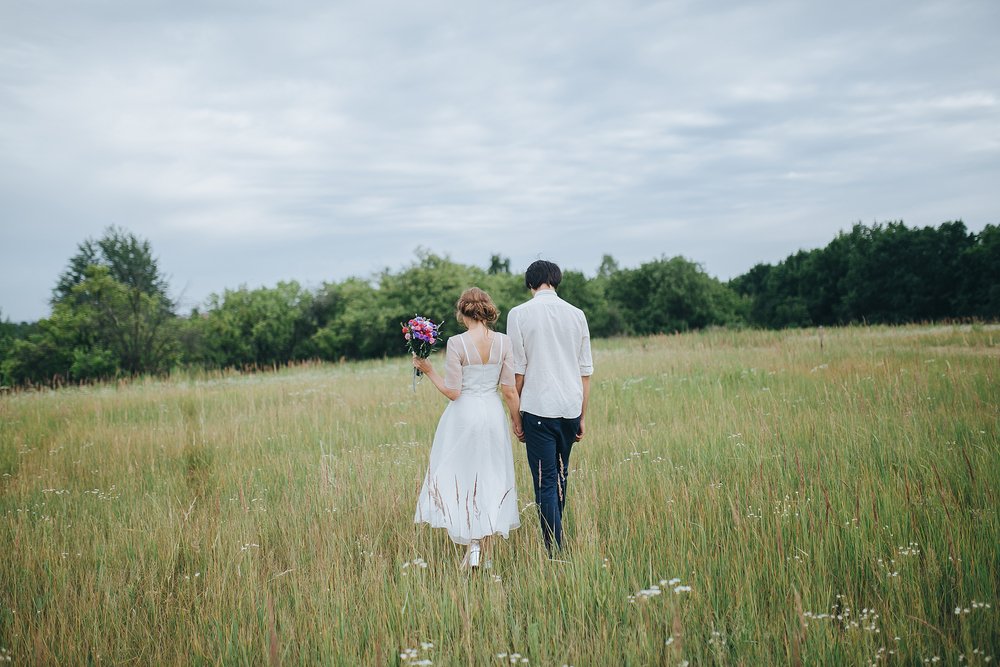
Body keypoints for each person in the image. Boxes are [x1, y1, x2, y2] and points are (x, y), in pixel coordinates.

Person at [413, 287, 522, 569]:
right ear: (488, 311)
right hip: (492, 415)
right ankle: (480, 551)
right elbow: (509, 390)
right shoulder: (504, 342)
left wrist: (428, 370)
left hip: (464, 416)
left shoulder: (457, 343)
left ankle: (474, 549)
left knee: (461, 478)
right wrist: (517, 421)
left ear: (462, 312)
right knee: (489, 477)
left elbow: (453, 392)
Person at [507, 260, 593, 555]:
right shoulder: (577, 314)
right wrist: (583, 415)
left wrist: (515, 416)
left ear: (530, 283)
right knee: (560, 477)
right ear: (556, 281)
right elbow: (585, 371)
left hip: (538, 408)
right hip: (570, 406)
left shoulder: (518, 315)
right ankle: (555, 543)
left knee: (545, 482)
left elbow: (518, 371)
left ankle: (555, 552)